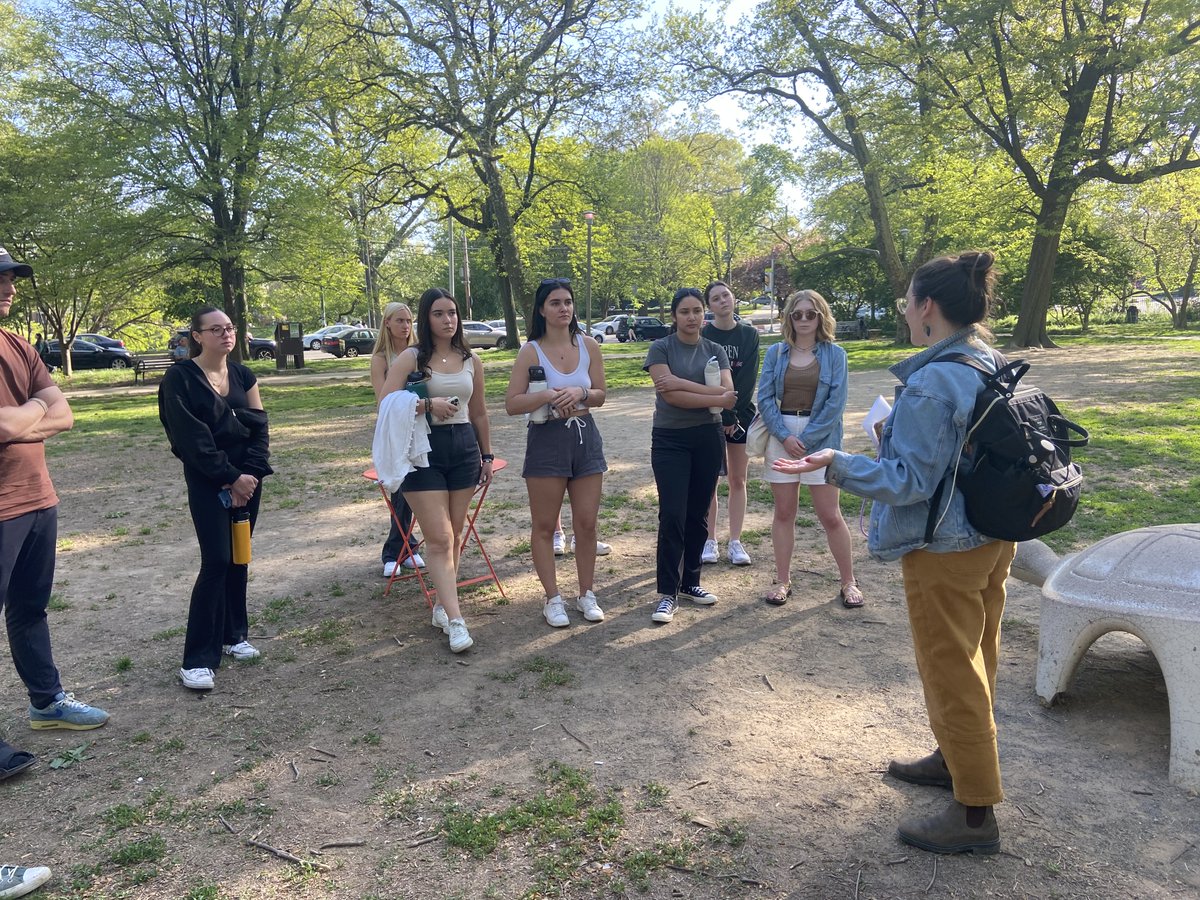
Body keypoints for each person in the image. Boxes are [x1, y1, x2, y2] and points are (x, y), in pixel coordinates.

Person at [774, 251, 1013, 855]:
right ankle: (953, 759)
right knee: (976, 654)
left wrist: (837, 463)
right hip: (988, 533)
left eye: (908, 302)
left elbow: (908, 482)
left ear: (927, 307)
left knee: (950, 665)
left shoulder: (935, 378)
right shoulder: (985, 358)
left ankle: (975, 813)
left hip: (945, 545)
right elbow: (952, 454)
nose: (905, 312)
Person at [0, 248, 109, 779]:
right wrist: (31, 412)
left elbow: (63, 415)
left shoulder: (18, 345)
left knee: (30, 609)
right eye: (1, 277)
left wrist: (29, 415)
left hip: (37, 498)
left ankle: (46, 703)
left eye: (13, 276)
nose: (10, 286)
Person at [158, 306, 273, 691]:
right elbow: (191, 442)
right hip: (211, 482)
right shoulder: (180, 379)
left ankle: (233, 635)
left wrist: (251, 475)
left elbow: (260, 428)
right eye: (216, 329)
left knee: (240, 555)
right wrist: (229, 478)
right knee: (217, 560)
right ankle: (197, 660)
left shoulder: (242, 373)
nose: (226, 334)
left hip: (249, 481)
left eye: (230, 328)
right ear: (197, 336)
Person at [379, 288, 493, 653]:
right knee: (440, 538)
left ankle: (444, 607)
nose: (448, 320)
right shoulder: (412, 357)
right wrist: (427, 404)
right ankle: (456, 622)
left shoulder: (471, 358)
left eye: (453, 313)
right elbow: (385, 403)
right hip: (422, 451)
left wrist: (486, 456)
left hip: (463, 448)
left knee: (455, 534)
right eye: (439, 313)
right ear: (427, 319)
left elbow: (479, 413)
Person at [505, 278, 608, 627]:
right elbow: (512, 403)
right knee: (546, 526)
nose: (563, 308)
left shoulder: (589, 345)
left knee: (587, 524)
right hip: (546, 439)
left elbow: (600, 394)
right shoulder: (530, 350)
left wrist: (580, 392)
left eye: (567, 301)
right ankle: (553, 598)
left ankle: (586, 593)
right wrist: (548, 396)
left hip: (585, 437)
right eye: (555, 303)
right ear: (541, 310)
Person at [758, 289, 862, 607]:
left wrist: (809, 441)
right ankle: (783, 580)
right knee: (784, 512)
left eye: (810, 314)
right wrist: (785, 437)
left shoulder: (835, 355)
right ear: (789, 317)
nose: (804, 319)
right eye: (797, 314)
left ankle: (849, 582)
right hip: (782, 435)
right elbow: (763, 398)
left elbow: (836, 404)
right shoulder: (776, 353)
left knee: (830, 515)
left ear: (821, 316)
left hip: (823, 439)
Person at [645, 288, 736, 624]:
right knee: (672, 514)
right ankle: (667, 593)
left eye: (698, 310)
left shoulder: (714, 350)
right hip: (670, 439)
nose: (692, 317)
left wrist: (691, 388)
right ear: (674, 316)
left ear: (704, 314)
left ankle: (690, 583)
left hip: (707, 438)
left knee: (698, 513)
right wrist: (712, 394)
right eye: (685, 311)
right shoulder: (661, 347)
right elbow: (669, 394)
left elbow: (728, 395)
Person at [700, 281, 760, 567]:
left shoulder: (749, 334)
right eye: (716, 298)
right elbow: (701, 378)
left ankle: (735, 541)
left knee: (738, 479)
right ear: (709, 306)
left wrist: (732, 417)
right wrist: (721, 416)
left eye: (726, 295)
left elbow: (746, 380)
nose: (723, 301)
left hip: (741, 417)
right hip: (708, 417)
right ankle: (709, 540)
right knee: (709, 481)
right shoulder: (703, 335)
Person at [370, 301, 425, 576]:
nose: (405, 326)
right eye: (400, 321)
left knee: (417, 488)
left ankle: (408, 546)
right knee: (400, 489)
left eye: (409, 321)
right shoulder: (381, 358)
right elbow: (384, 401)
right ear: (387, 323)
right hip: (395, 431)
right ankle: (395, 551)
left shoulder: (419, 352)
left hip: (423, 427)